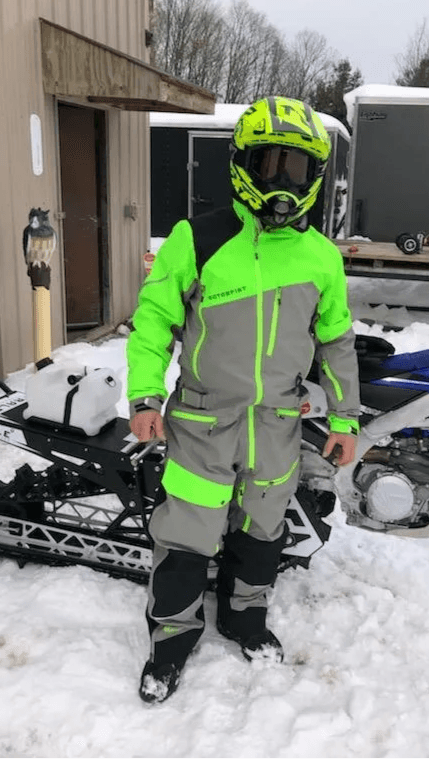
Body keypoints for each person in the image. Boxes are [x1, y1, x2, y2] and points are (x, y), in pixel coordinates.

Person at [127, 96, 360, 704]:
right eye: (269, 164)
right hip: (204, 418)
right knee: (189, 532)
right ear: (242, 166)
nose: (283, 183)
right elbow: (153, 321)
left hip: (277, 421)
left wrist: (345, 416)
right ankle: (172, 638)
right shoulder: (197, 239)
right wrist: (146, 395)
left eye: (297, 169)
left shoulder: (321, 258)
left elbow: (335, 342)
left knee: (262, 527)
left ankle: (244, 618)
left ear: (314, 179)